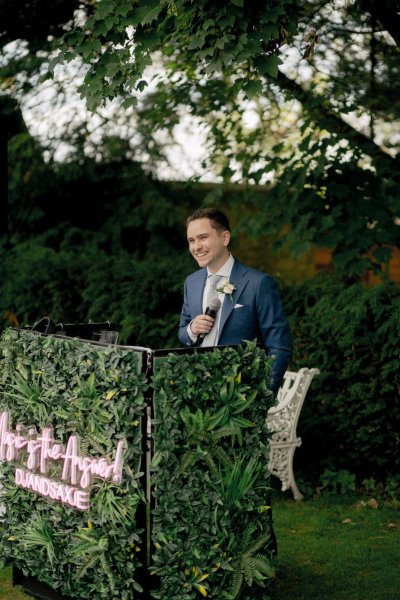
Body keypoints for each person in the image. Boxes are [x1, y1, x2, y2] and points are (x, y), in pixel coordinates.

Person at [178, 207, 293, 393]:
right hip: (197, 394)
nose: (196, 247)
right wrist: (192, 330)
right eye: (191, 240)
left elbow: (279, 346)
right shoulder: (191, 282)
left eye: (203, 237)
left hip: (240, 399)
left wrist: (261, 395)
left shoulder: (259, 283)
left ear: (225, 238)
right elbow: (182, 332)